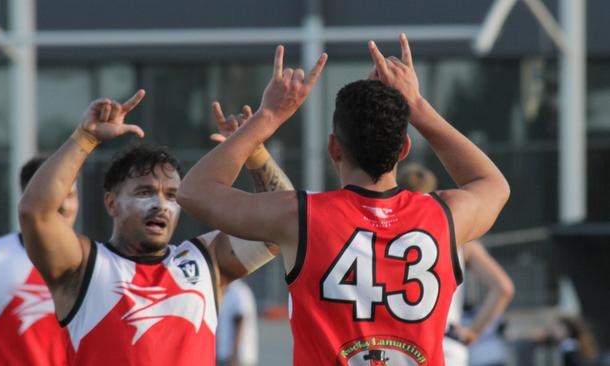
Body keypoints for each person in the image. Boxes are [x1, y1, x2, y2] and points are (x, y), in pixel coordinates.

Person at [177, 33, 509, 366]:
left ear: (334, 147)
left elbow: (194, 192)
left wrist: (268, 117)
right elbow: (493, 184)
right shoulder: (444, 216)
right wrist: (417, 106)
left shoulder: (301, 217)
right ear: (405, 149)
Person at [18, 90, 293, 365]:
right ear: (111, 203)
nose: (160, 204)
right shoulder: (83, 266)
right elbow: (35, 212)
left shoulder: (207, 260)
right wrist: (85, 137)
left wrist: (255, 151)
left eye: (171, 195)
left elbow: (282, 220)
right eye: (144, 192)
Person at [0, 157, 77, 366]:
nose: (65, 206)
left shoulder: (93, 262)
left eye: (71, 195)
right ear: (27, 202)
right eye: (56, 197)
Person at [398, 163, 515, 366]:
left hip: (399, 341)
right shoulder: (458, 236)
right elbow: (503, 288)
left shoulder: (384, 233)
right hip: (447, 342)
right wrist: (473, 332)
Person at [216, 279, 258, 366]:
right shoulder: (225, 291)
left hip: (238, 358)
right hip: (224, 355)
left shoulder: (239, 292)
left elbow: (240, 325)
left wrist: (234, 356)